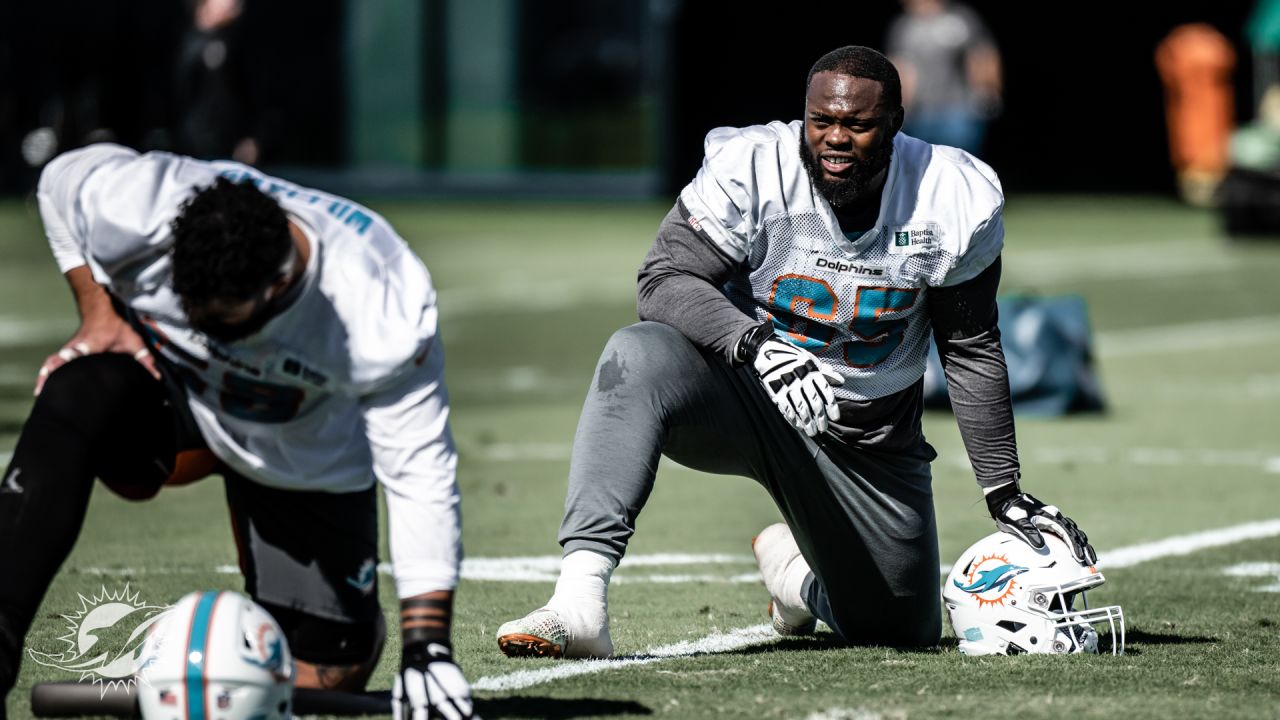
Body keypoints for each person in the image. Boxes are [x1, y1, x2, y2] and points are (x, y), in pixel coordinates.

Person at [496, 46, 1094, 658]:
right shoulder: (754, 165)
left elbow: (967, 345)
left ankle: (795, 579)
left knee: (898, 630)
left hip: (868, 439)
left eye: (857, 125)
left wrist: (1003, 489)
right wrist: (755, 344)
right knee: (637, 354)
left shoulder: (948, 194)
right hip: (748, 400)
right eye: (821, 121)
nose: (835, 138)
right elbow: (663, 279)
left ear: (893, 123)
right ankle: (578, 598)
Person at [0, 144, 475, 719]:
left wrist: (427, 649)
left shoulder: (379, 303)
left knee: (322, 676)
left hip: (300, 451)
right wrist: (98, 312)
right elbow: (58, 182)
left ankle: (337, 622)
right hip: (177, 406)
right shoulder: (138, 205)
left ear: (277, 287)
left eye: (222, 323)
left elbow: (420, 477)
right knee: (77, 386)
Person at [886, 0, 1002, 156]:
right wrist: (899, 107)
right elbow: (901, 68)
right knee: (922, 166)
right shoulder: (903, 27)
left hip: (960, 111)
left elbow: (983, 55)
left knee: (961, 164)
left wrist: (989, 89)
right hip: (920, 113)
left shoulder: (961, 18)